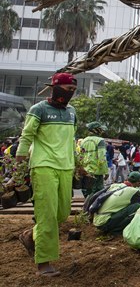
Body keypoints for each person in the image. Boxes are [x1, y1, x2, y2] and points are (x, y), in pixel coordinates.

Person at [16, 72, 78, 277]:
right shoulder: (39, 109)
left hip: (66, 166)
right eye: (69, 89)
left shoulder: (71, 112)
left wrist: (77, 164)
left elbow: (71, 140)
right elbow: (27, 135)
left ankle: (30, 236)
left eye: (74, 91)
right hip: (43, 165)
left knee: (62, 213)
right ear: (56, 87)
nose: (71, 93)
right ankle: (43, 262)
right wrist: (20, 157)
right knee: (47, 215)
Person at [80, 122, 109, 198]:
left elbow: (80, 156)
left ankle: (86, 208)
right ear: (96, 130)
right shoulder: (100, 141)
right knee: (98, 194)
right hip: (97, 172)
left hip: (86, 172)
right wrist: (106, 172)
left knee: (87, 193)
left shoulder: (83, 141)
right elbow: (102, 158)